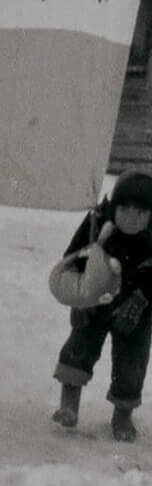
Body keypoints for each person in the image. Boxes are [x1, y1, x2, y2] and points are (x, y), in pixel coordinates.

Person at [51, 172, 152, 442]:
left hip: (136, 309)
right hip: (94, 300)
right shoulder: (97, 222)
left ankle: (123, 415)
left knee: (132, 362)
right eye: (125, 208)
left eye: (141, 211)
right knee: (79, 348)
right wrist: (80, 295)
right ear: (114, 206)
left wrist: (143, 297)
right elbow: (73, 256)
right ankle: (68, 405)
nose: (132, 216)